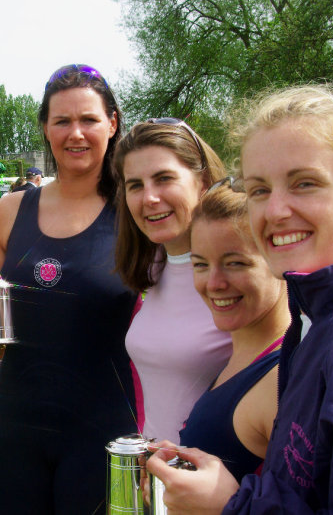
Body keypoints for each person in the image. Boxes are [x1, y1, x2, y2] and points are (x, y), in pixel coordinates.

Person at [147, 85, 333, 514]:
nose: (275, 210)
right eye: (259, 189)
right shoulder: (321, 322)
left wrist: (232, 504)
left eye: (304, 183)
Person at [0, 64, 139, 514]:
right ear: (45, 128)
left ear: (112, 124)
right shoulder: (9, 211)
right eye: (62, 121)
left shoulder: (137, 211)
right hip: (15, 425)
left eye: (90, 119)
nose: (76, 133)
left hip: (104, 429)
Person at [113, 119, 231, 443]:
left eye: (164, 179)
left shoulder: (242, 275)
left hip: (221, 483)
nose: (149, 198)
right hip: (157, 479)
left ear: (203, 181)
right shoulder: (151, 269)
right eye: (135, 185)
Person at [177, 182, 289, 482]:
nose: (214, 283)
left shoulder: (283, 379)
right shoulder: (242, 354)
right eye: (200, 265)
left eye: (235, 263)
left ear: (280, 261)